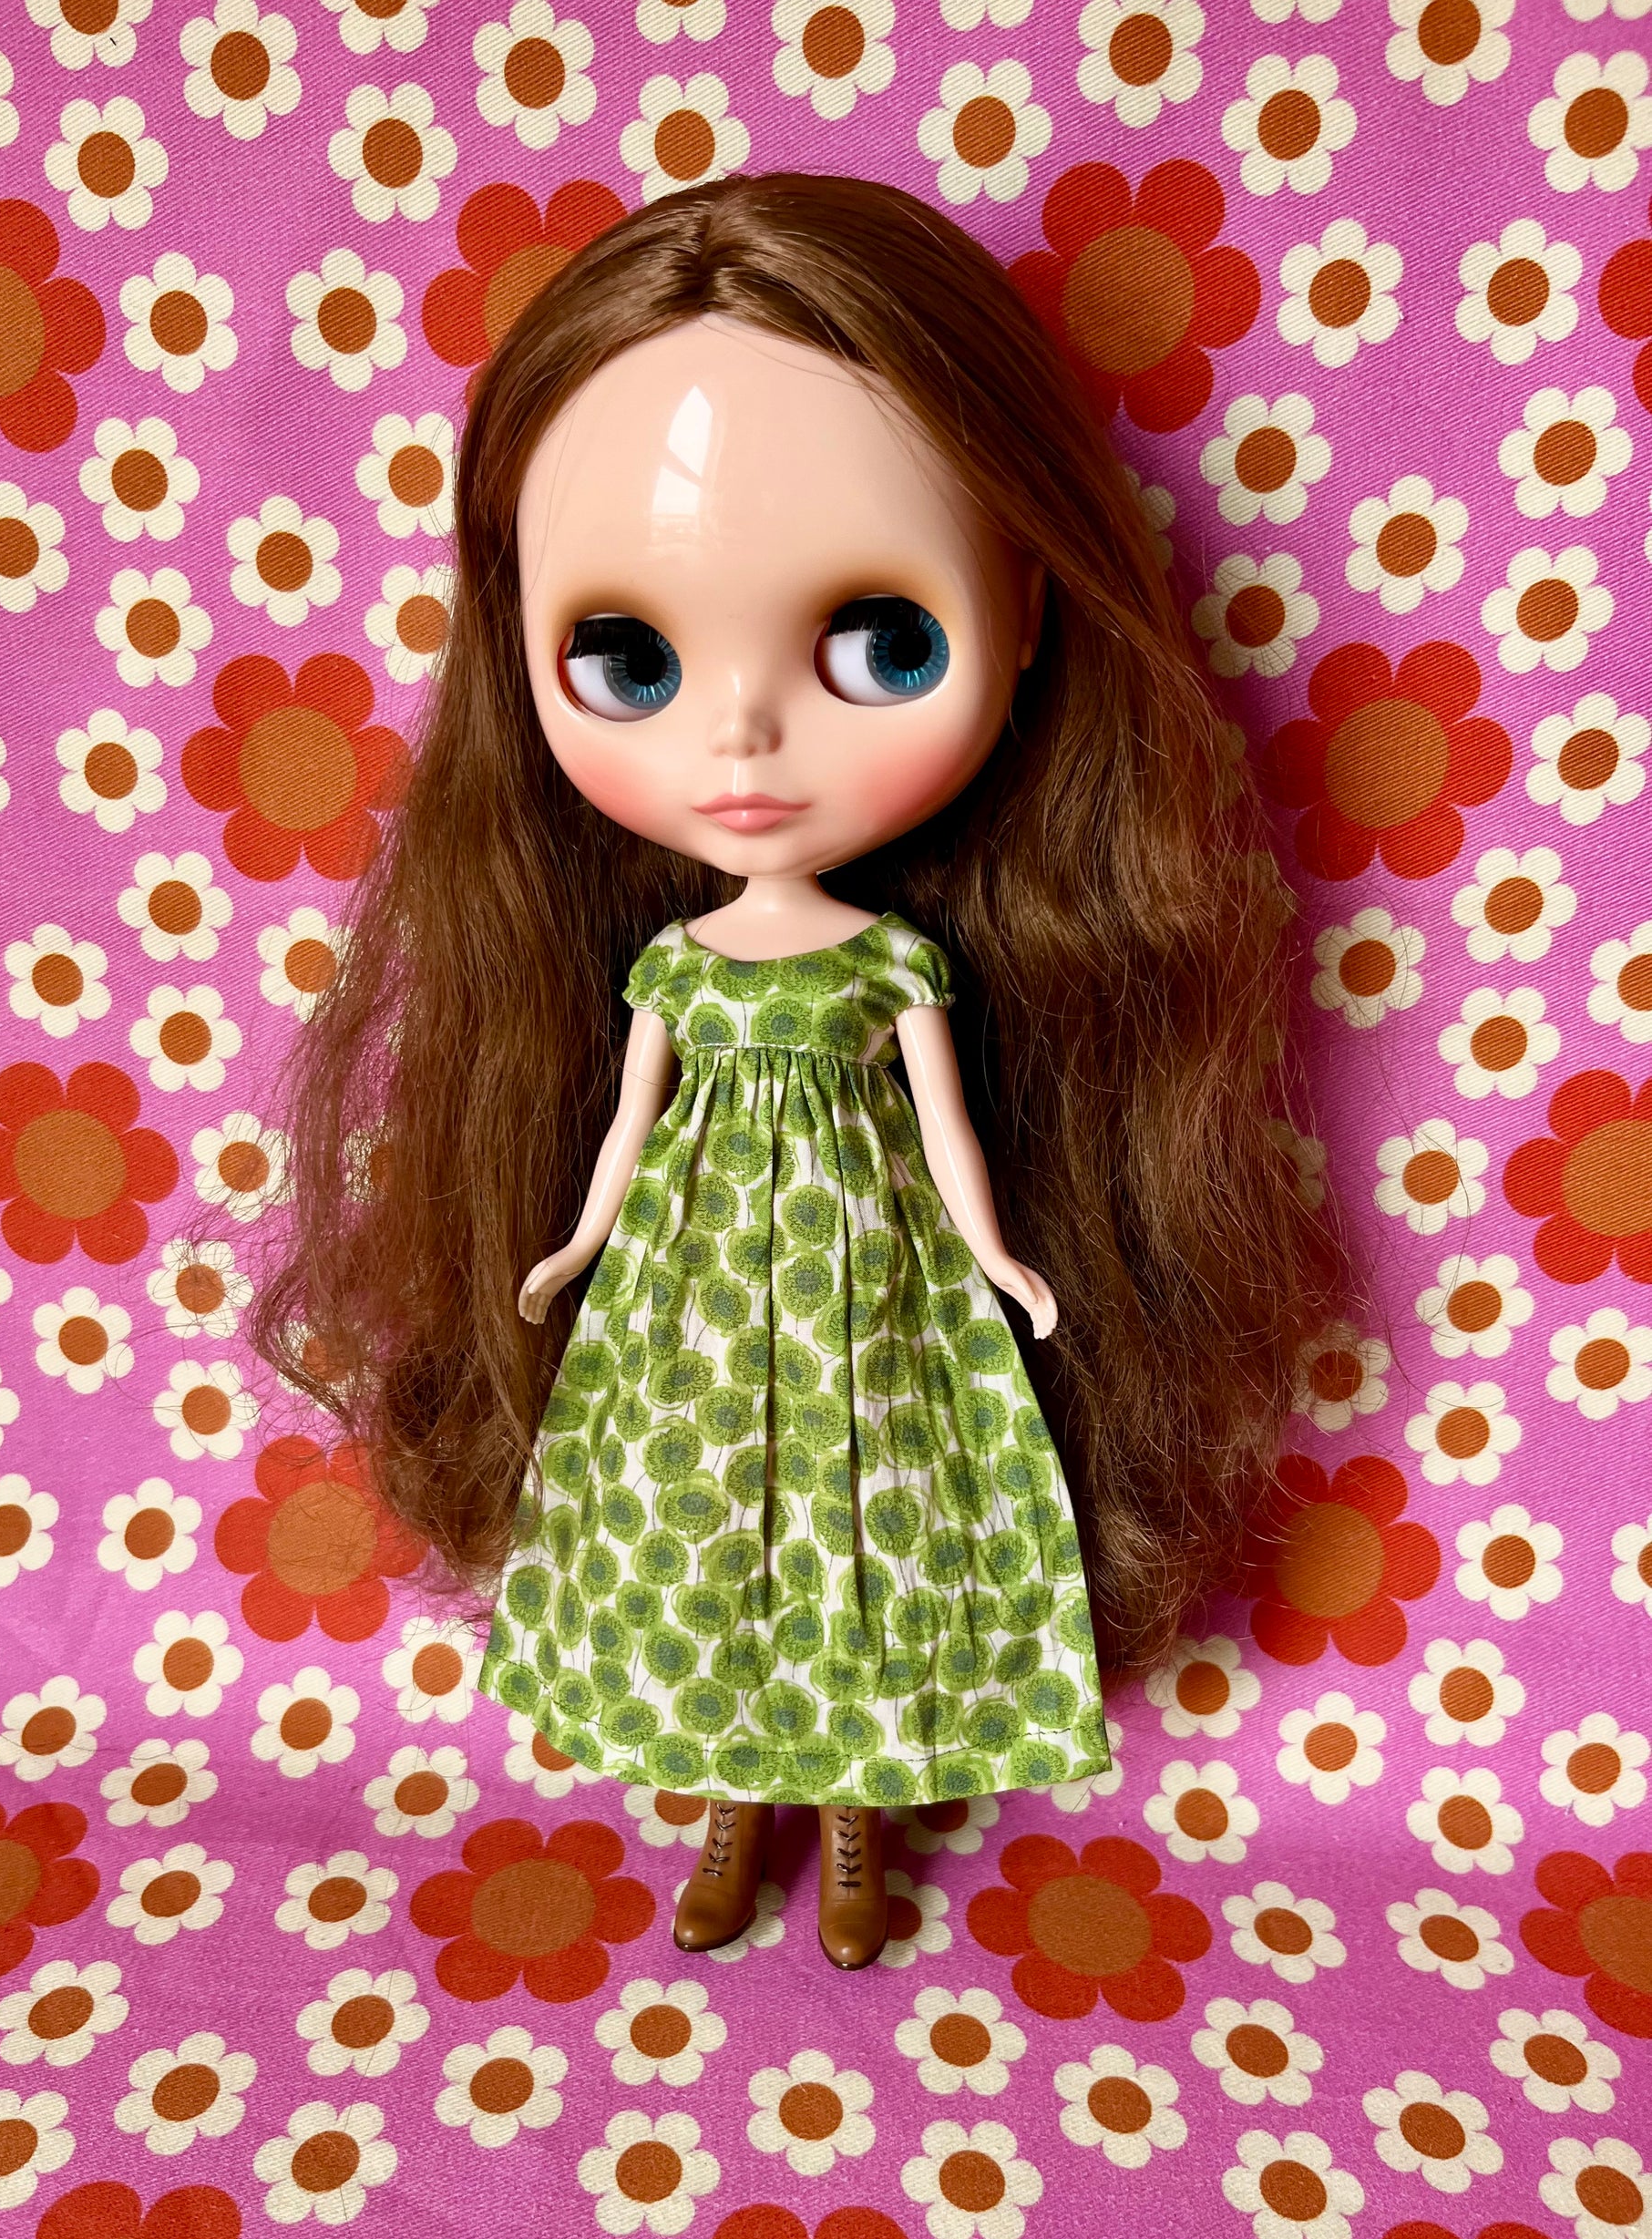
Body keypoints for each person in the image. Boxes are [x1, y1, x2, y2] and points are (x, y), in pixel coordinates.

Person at [251, 173, 1351, 1973]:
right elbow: (629, 1118)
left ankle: (853, 1828)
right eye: (627, 657)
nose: (746, 732)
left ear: (1021, 607)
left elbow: (943, 1125)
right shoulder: (672, 964)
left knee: (860, 1524)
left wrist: (992, 1259)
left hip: (866, 1290)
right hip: (694, 1297)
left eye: (878, 642)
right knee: (709, 1528)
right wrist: (571, 1243)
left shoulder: (894, 962)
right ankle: (724, 1811)